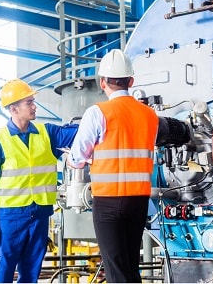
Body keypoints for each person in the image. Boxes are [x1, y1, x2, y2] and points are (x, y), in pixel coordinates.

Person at [67, 49, 159, 283]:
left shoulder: (98, 112)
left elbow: (78, 157)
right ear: (131, 81)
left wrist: (72, 159)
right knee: (130, 267)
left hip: (109, 202)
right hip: (139, 201)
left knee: (116, 270)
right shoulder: (150, 116)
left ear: (102, 82)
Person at [0, 78, 78, 283]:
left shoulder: (47, 133)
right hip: (9, 218)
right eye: (29, 103)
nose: (34, 106)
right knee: (2, 273)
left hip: (39, 216)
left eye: (33, 101)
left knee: (31, 275)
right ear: (13, 109)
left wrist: (103, 117)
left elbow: (78, 133)